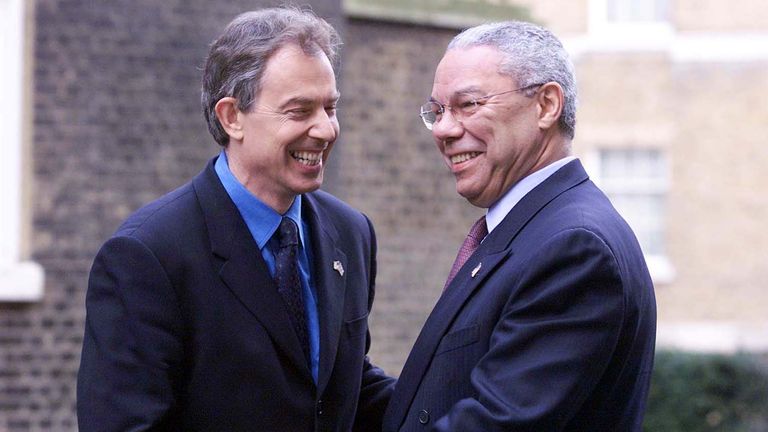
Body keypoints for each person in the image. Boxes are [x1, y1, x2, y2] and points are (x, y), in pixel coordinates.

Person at [77, 7, 394, 431]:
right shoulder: (148, 256)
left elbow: (344, 386)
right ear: (232, 117)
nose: (325, 130)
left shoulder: (350, 232)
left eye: (330, 108)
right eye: (300, 111)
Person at [383, 21, 656, 431]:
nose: (444, 129)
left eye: (468, 104)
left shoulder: (574, 248)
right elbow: (435, 398)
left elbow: (497, 422)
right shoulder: (531, 230)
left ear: (546, 105)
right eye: (437, 111)